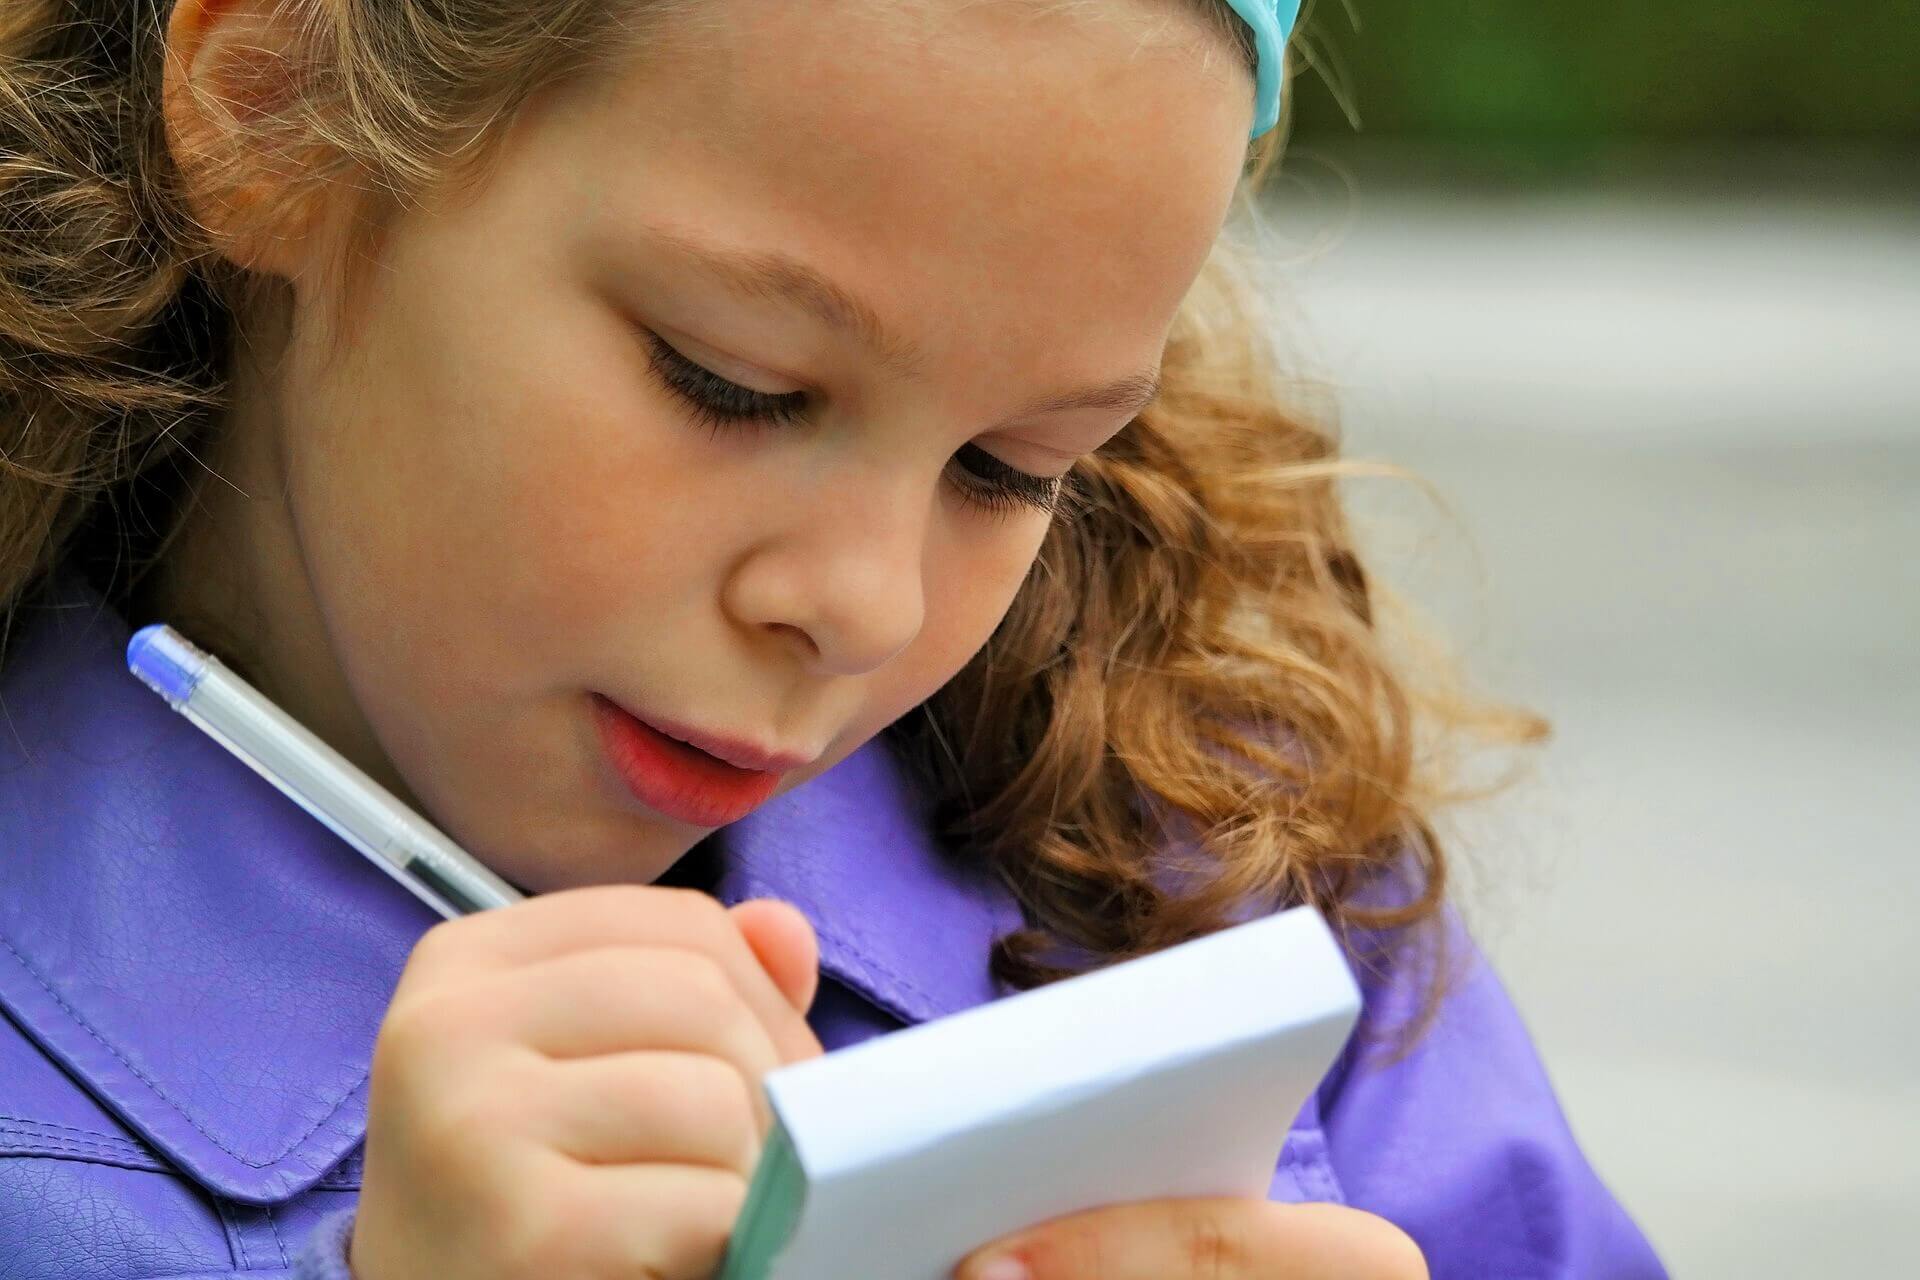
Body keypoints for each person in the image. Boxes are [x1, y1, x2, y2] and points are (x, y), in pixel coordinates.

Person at [0, 0, 1668, 1275]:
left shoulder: (1222, 865)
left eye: (1015, 471)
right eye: (733, 379)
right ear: (275, 103)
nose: (861, 606)